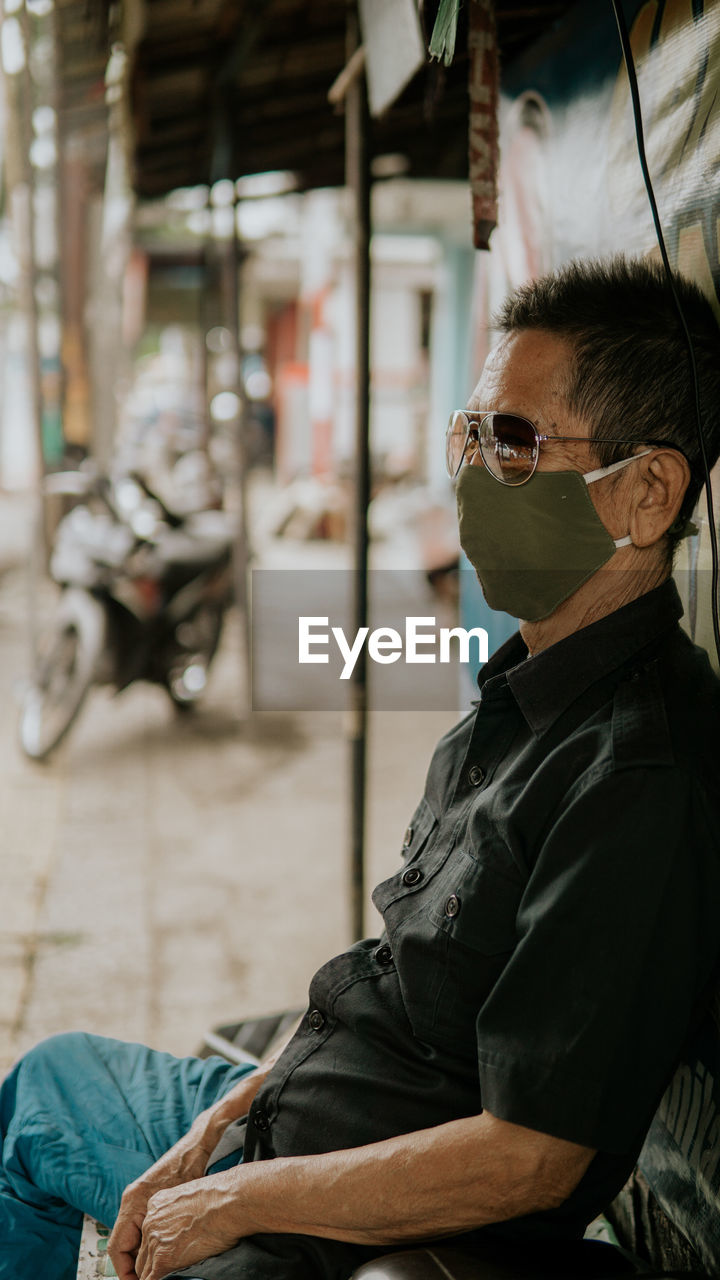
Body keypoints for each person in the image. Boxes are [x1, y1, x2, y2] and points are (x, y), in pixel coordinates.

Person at [3, 256, 720, 1280]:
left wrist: (231, 1197)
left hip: (352, 1219)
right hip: (294, 1121)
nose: (472, 473)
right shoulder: (521, 694)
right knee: (47, 1084)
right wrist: (227, 1113)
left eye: (513, 443)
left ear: (648, 492)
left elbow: (532, 1156)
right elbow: (404, 972)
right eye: (468, 435)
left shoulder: (636, 776)